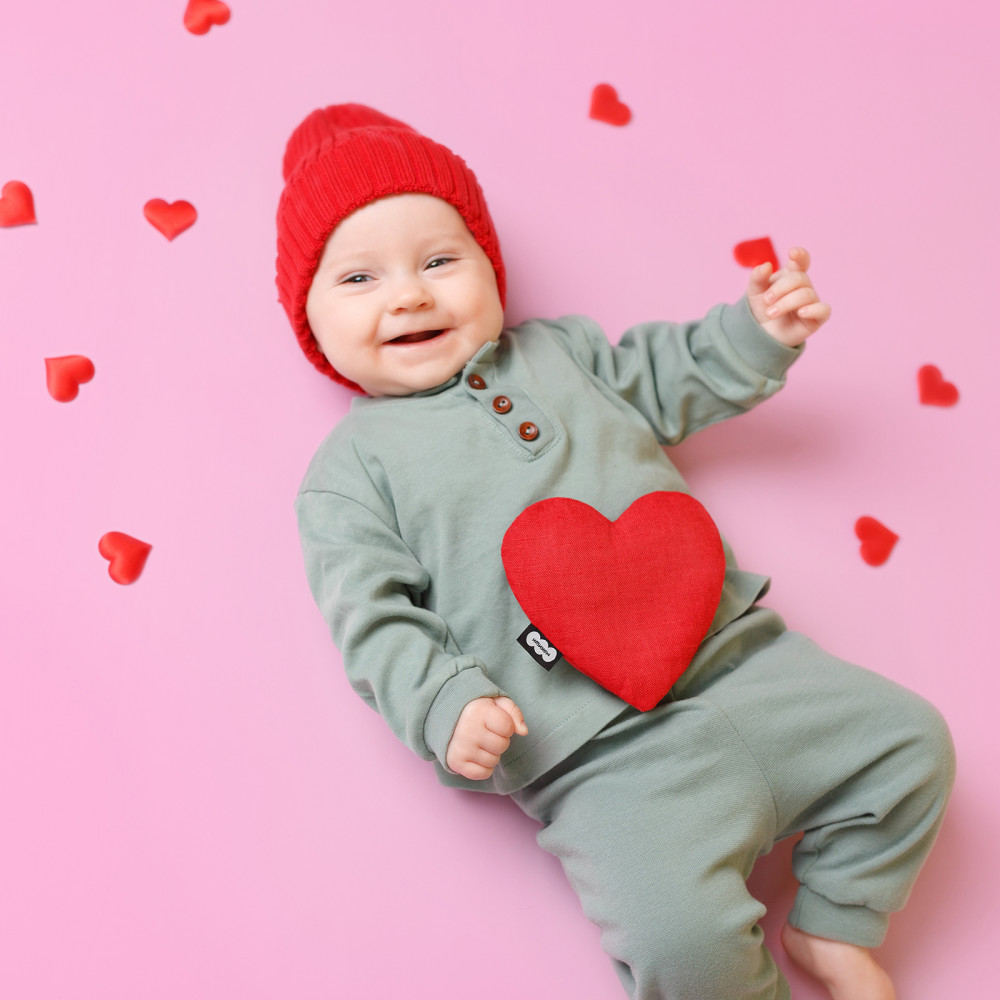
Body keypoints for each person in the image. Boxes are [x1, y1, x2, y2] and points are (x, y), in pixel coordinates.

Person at [277, 104, 955, 1000]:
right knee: (682, 944)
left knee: (913, 745)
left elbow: (668, 373)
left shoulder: (563, 355)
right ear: (309, 322)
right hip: (596, 760)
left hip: (747, 665)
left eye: (440, 260)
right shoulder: (350, 473)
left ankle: (834, 925)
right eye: (359, 277)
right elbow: (373, 621)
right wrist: (444, 701)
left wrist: (757, 331)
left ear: (490, 267)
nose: (409, 295)